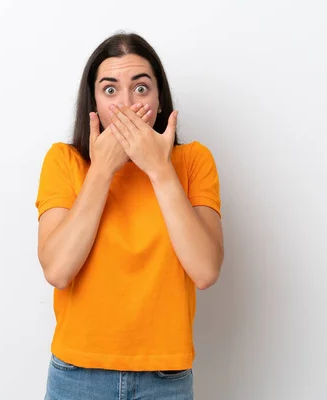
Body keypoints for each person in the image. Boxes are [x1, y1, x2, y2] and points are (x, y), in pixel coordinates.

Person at [35, 32, 224, 400]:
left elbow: (205, 271)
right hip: (78, 376)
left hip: (165, 379)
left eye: (140, 89)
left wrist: (159, 169)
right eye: (110, 90)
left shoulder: (193, 161)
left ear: (158, 98)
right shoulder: (64, 161)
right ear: (92, 102)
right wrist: (102, 170)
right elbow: (57, 271)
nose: (125, 104)